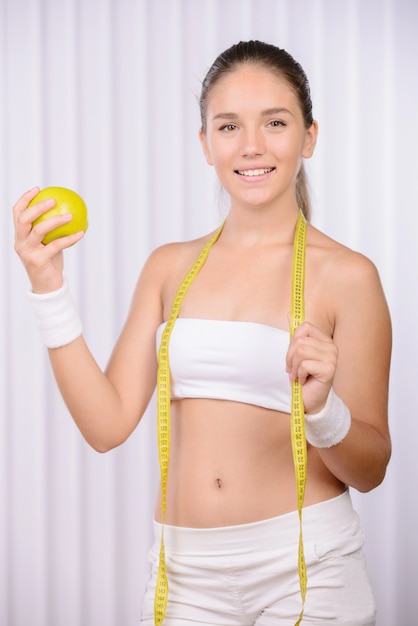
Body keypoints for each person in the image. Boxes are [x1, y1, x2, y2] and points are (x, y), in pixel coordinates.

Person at [13, 40, 391, 625]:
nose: (252, 145)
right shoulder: (170, 267)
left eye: (275, 122)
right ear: (205, 144)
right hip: (184, 576)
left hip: (308, 572)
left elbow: (371, 470)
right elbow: (106, 425)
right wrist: (48, 287)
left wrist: (322, 410)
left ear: (309, 136)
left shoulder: (348, 276)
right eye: (228, 125)